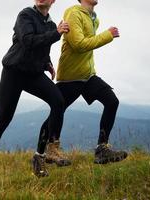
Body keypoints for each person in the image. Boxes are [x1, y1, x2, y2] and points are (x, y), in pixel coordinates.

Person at [0, 0, 69, 184]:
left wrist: (47, 63)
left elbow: (42, 49)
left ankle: (49, 150)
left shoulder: (50, 24)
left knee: (58, 101)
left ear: (52, 1)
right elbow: (28, 41)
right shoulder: (25, 15)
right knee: (4, 118)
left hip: (33, 74)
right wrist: (56, 34)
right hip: (14, 72)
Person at [39, 0, 128, 166]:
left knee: (112, 101)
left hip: (88, 75)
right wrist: (107, 35)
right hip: (71, 76)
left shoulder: (94, 18)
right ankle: (40, 154)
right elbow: (79, 44)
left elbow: (88, 46)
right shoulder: (73, 13)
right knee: (56, 113)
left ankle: (102, 150)